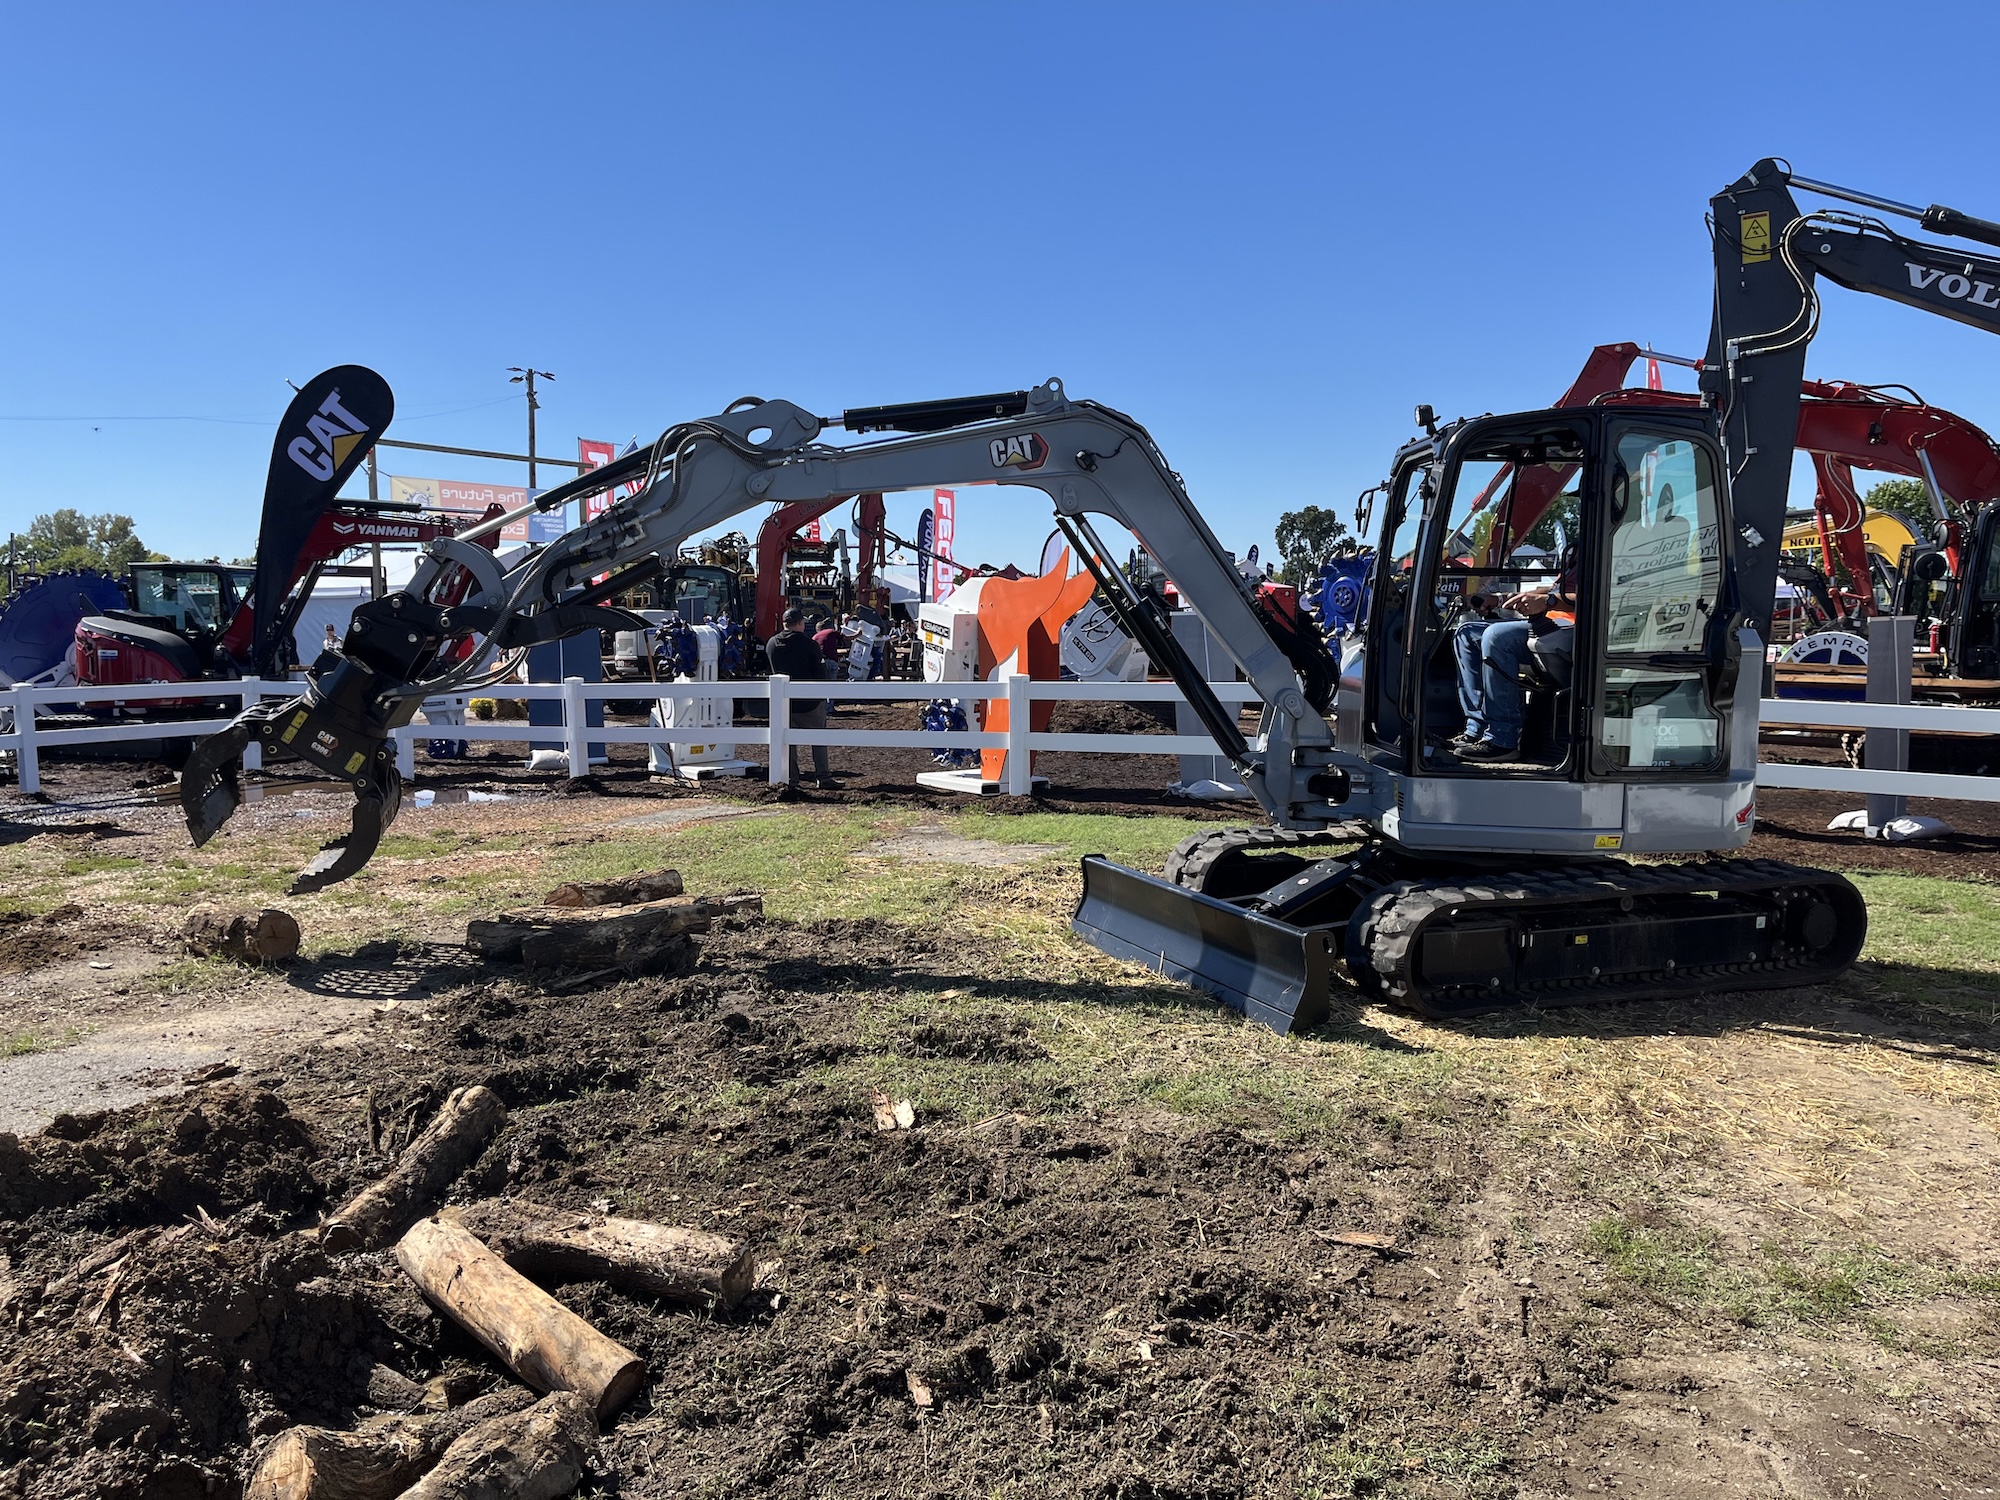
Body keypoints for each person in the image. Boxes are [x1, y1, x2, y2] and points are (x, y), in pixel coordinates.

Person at [1451, 583, 1575, 761]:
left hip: (1573, 629)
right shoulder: (1573, 558)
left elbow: (1597, 596)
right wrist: (1499, 598)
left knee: (1497, 637)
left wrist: (1550, 601)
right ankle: (1477, 728)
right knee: (1466, 634)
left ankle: (1503, 739)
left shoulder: (1596, 558)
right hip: (1548, 622)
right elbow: (1551, 591)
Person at [766, 606, 833, 786]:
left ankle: (791, 778)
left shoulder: (772, 644)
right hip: (809, 703)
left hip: (784, 703)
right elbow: (820, 673)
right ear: (801, 623)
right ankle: (823, 776)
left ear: (784, 623)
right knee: (818, 739)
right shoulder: (809, 644)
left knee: (787, 743)